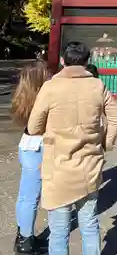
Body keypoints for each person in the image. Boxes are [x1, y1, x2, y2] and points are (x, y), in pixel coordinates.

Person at [27, 41, 117, 255]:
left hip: (58, 168)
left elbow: (33, 127)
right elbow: (116, 118)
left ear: (63, 60)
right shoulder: (97, 85)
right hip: (89, 165)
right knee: (89, 224)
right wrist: (106, 143)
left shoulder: (51, 87)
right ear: (88, 62)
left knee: (59, 230)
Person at [11, 60, 51, 255]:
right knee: (31, 197)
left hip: (26, 145)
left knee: (25, 194)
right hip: (37, 147)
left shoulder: (23, 97)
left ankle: (23, 234)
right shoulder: (41, 100)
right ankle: (25, 242)